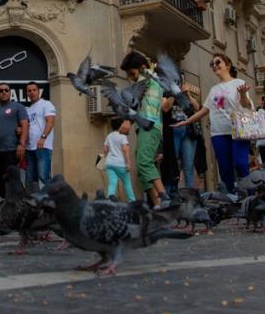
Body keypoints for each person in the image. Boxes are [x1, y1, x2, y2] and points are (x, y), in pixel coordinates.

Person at [174, 52, 248, 194]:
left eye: (218, 62)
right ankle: (232, 198)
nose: (214, 66)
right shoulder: (214, 90)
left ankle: (249, 197)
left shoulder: (239, 84)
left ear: (228, 65)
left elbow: (247, 107)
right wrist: (186, 122)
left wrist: (243, 95)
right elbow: (204, 111)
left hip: (238, 131)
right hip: (218, 133)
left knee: (241, 164)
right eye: (212, 64)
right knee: (225, 168)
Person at [120, 50, 173, 207]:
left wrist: (128, 121)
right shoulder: (154, 79)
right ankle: (157, 204)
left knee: (143, 163)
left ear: (142, 67)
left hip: (150, 126)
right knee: (142, 166)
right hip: (148, 127)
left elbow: (137, 99)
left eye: (132, 73)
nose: (131, 78)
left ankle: (164, 198)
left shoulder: (147, 78)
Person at [0, 84, 29, 196]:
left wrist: (22, 144)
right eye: (1, 90)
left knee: (12, 181)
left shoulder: (18, 107)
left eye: (6, 90)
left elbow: (25, 125)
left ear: (10, 92)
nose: (4, 92)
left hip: (11, 150)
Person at [24, 82, 56, 187]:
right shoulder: (29, 109)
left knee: (44, 176)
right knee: (31, 179)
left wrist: (43, 137)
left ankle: (57, 200)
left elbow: (50, 122)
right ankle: (33, 202)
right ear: (27, 94)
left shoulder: (46, 104)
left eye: (34, 90)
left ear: (39, 91)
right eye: (29, 91)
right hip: (29, 148)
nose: (32, 92)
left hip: (43, 146)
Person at [103, 117, 134, 202]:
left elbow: (105, 150)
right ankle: (132, 201)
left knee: (112, 184)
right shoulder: (123, 136)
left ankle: (110, 201)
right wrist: (128, 163)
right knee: (127, 184)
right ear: (121, 125)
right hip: (121, 164)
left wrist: (105, 157)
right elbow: (125, 150)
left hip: (110, 163)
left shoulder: (109, 136)